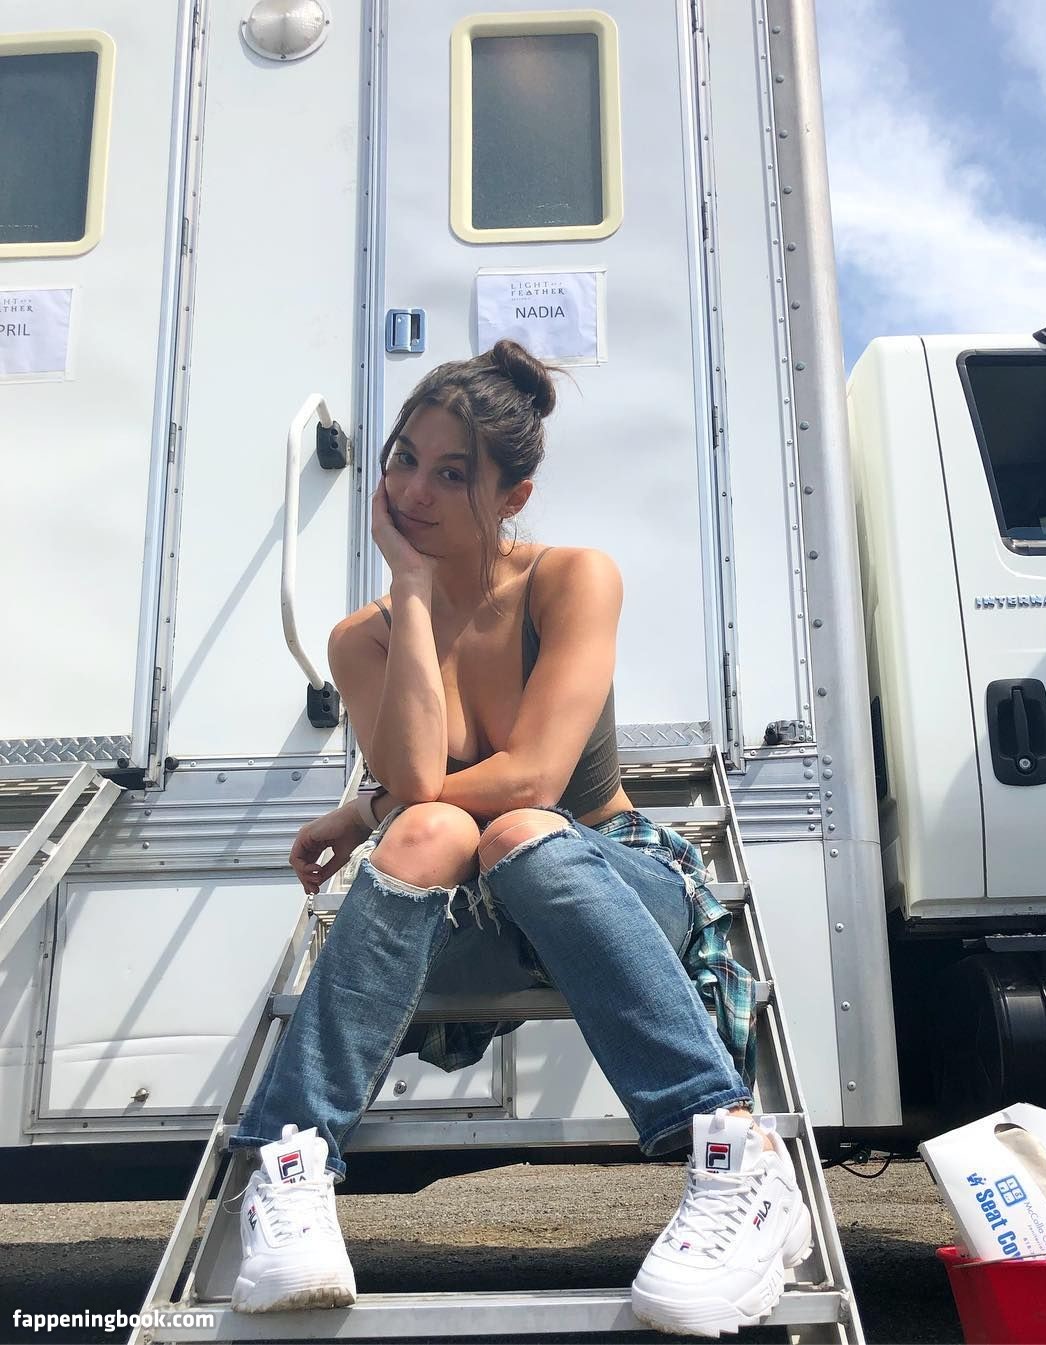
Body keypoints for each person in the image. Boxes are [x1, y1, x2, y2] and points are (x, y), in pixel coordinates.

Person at [226, 340, 811, 1337]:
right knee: (432, 832)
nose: (415, 490)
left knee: (513, 828)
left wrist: (364, 810)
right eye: (405, 458)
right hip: (471, 914)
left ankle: (735, 1155)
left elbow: (535, 775)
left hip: (612, 880)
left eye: (453, 473)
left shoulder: (572, 579)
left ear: (513, 494)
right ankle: (291, 1165)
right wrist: (412, 591)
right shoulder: (363, 637)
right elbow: (419, 790)